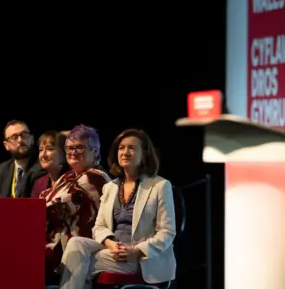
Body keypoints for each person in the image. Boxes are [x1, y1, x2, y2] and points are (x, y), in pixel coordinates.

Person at [59, 128, 176, 289]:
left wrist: (136, 251)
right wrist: (110, 243)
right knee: (76, 245)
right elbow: (99, 227)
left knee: (78, 260)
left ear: (144, 155)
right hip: (114, 251)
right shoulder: (110, 187)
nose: (125, 152)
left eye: (132, 148)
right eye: (121, 148)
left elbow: (167, 232)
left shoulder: (160, 186)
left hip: (143, 259)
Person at [40, 124, 111, 285]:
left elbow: (52, 207)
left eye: (79, 147)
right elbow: (43, 198)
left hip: (79, 248)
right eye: (69, 147)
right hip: (57, 244)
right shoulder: (68, 176)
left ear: (95, 152)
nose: (73, 152)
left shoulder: (95, 177)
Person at [0, 119, 46, 197]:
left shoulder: (44, 166)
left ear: (32, 139)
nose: (20, 140)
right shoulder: (1, 171)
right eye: (14, 137)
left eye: (24, 135)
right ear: (6, 145)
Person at [30, 130, 70, 198]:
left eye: (49, 149)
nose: (43, 154)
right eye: (41, 150)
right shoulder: (39, 183)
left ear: (63, 153)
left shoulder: (73, 179)